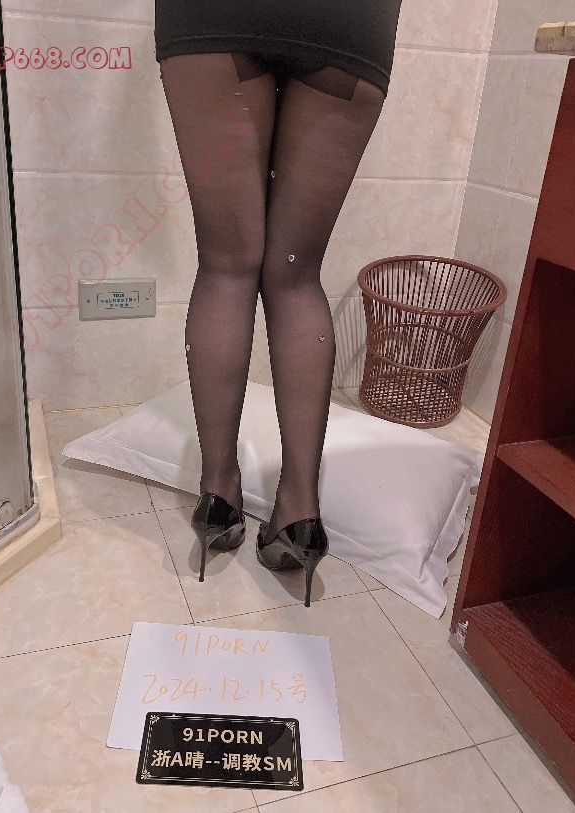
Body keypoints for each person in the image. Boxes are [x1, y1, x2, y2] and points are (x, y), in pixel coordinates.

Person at [154, 1, 402, 606]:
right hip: (348, 18)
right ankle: (299, 513)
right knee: (295, 276)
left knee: (226, 265)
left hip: (216, 15)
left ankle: (218, 494)